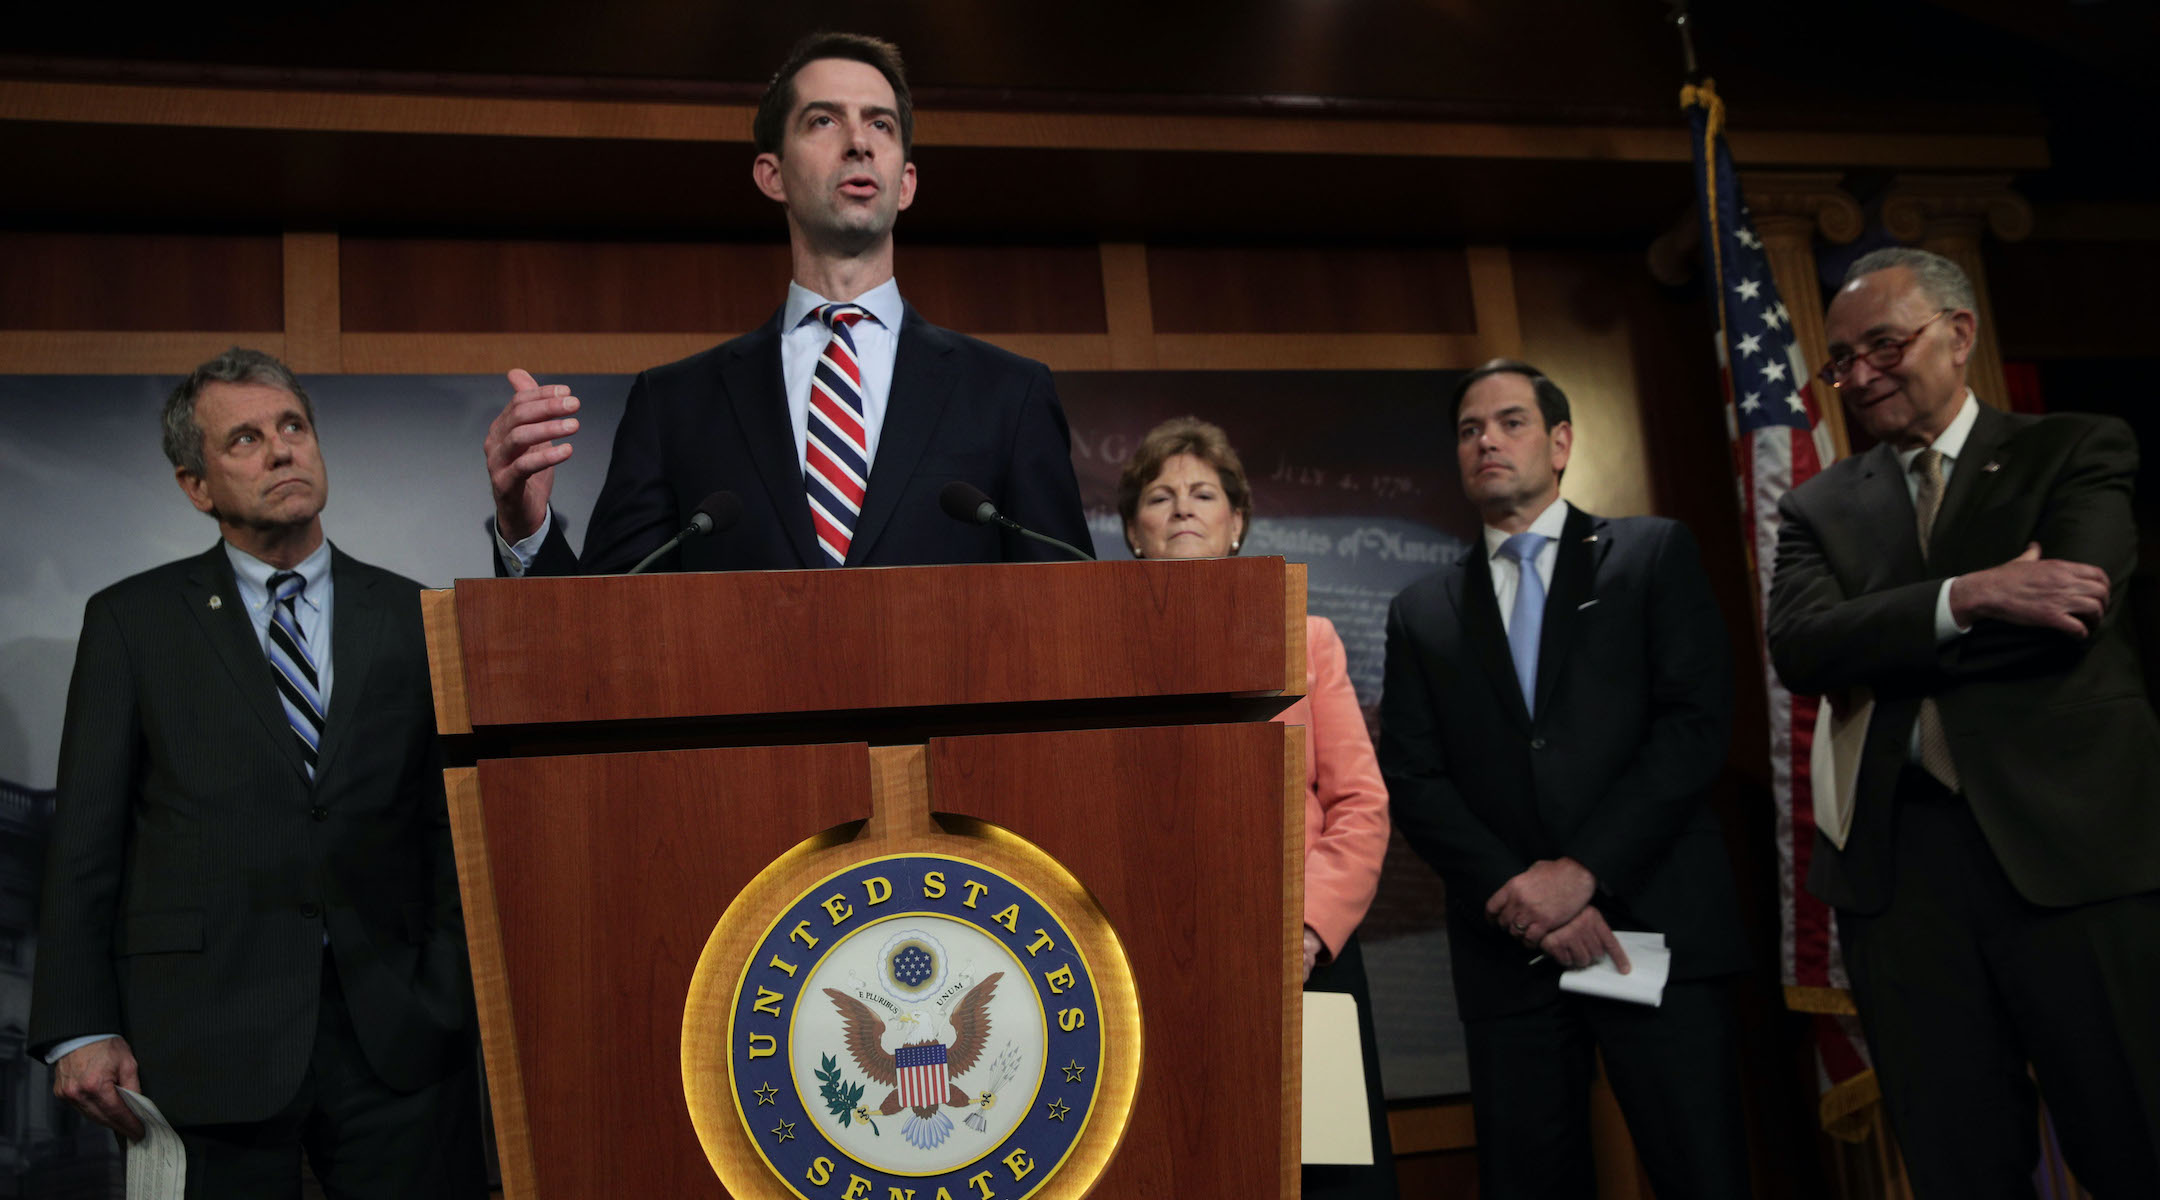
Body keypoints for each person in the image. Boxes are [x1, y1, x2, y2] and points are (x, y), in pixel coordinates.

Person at [29, 349, 483, 1198]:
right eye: (245, 439)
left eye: (292, 427)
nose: (282, 451)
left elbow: (446, 827)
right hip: (206, 1038)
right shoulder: (132, 623)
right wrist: (77, 1026)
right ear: (197, 486)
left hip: (399, 1038)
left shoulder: (415, 615)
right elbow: (86, 836)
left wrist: (451, 987)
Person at [1768, 247, 2160, 1196]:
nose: (1860, 376)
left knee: (2135, 1144)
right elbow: (1805, 651)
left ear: (1960, 333)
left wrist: (1890, 633)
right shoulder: (1821, 504)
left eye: (1884, 346)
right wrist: (1976, 594)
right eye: (1841, 362)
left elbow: (2069, 618)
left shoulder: (2074, 448)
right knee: (1959, 1167)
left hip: (2073, 861)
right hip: (1903, 885)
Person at [483, 32, 1088, 575]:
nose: (859, 143)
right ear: (771, 175)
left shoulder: (1011, 395)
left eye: (881, 125)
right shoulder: (674, 406)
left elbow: (1072, 617)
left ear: (905, 182)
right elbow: (604, 632)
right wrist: (526, 526)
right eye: (824, 121)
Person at [1379, 360, 1750, 1198]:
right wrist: (1523, 896)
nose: (1486, 441)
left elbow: (1691, 731)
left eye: (1509, 422)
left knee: (1701, 1170)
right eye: (1470, 430)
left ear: (1560, 442)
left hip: (1650, 927)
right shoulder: (1423, 609)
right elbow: (1415, 776)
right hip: (1511, 952)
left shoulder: (1651, 553)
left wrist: (1582, 875)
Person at [1117, 416, 1397, 1199]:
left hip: (1301, 959)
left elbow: (1360, 806)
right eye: (1159, 496)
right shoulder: (1102, 654)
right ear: (1133, 531)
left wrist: (1307, 931)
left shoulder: (1307, 638)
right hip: (1161, 963)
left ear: (1236, 524)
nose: (1181, 509)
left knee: (1327, 1172)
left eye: (1203, 493)